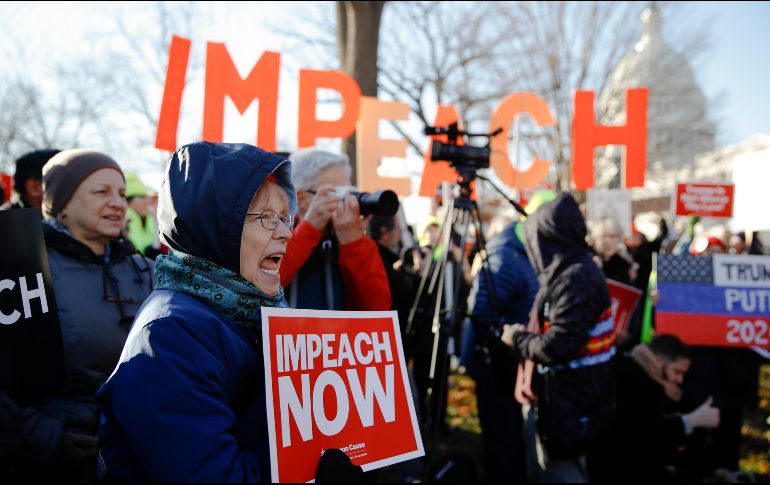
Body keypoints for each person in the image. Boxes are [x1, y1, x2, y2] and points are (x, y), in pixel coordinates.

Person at [96, 142, 306, 481]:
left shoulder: (249, 311)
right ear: (215, 227)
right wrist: (308, 463)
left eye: (285, 217)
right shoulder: (170, 334)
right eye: (266, 218)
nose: (286, 232)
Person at [0, 149, 154, 483]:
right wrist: (46, 438)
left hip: (133, 455)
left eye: (121, 193)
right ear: (62, 202)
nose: (118, 202)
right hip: (54, 464)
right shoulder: (21, 271)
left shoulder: (145, 270)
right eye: (101, 192)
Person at [500, 193, 616, 483]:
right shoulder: (568, 271)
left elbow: (557, 345)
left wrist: (517, 339)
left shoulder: (575, 277)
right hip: (562, 404)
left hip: (572, 409)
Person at [461, 191, 552, 482]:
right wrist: (509, 345)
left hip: (512, 360)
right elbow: (482, 315)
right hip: (495, 365)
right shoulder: (506, 256)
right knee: (502, 440)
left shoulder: (526, 250)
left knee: (512, 436)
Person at [589, 335, 720, 483]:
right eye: (677, 372)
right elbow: (647, 442)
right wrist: (691, 421)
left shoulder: (636, 372)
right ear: (658, 360)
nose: (680, 380)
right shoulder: (638, 384)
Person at [280, 148, 390, 311]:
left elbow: (378, 309)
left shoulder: (356, 241)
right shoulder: (276, 233)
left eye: (349, 191)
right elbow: (266, 284)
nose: (347, 201)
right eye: (335, 192)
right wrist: (310, 228)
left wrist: (354, 243)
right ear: (303, 200)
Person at [123, 172, 160, 259]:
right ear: (128, 200)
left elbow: (152, 248)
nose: (147, 201)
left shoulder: (147, 219)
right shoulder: (124, 222)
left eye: (146, 196)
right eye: (141, 197)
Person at [590, 217, 635, 285]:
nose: (608, 241)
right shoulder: (587, 259)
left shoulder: (623, 264)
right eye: (603, 236)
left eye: (612, 236)